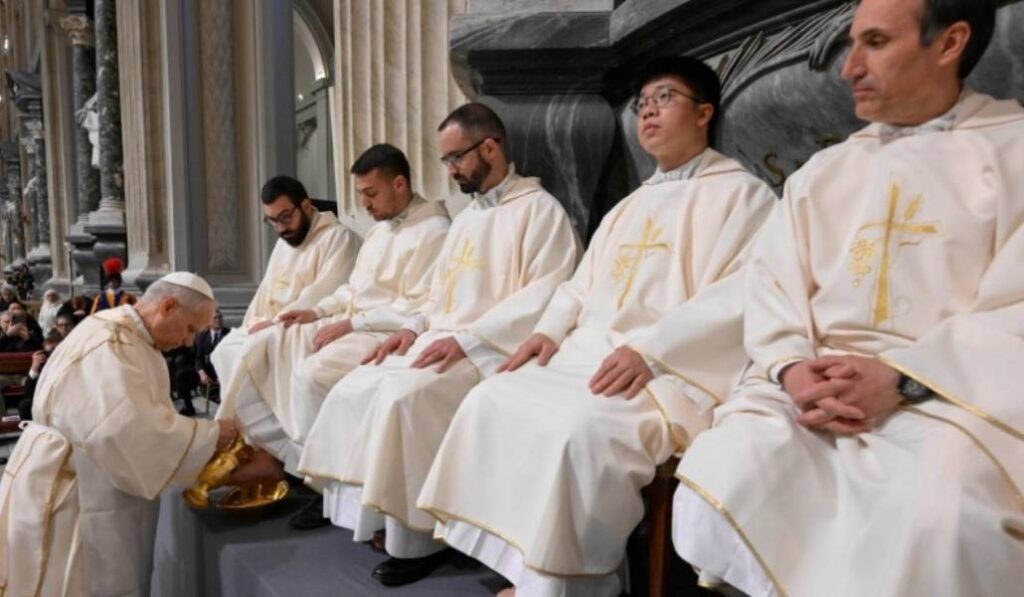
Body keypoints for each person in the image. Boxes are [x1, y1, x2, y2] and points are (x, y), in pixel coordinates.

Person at [672, 2, 1024, 596]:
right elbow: (772, 283)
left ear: (949, 43)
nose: (848, 67)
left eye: (876, 43)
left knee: (944, 520)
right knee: (722, 477)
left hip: (955, 396)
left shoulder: (1012, 152)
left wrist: (906, 378)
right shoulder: (826, 170)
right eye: (850, 44)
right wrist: (789, 368)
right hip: (817, 388)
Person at [417, 57, 775, 596]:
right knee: (489, 400)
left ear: (704, 112)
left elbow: (740, 296)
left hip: (663, 370)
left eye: (665, 99)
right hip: (589, 353)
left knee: (576, 432)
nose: (648, 112)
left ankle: (569, 586)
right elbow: (580, 287)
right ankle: (532, 572)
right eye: (642, 103)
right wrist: (548, 332)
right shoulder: (629, 206)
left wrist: (651, 352)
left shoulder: (745, 196)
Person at [295, 103, 581, 587]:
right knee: (356, 384)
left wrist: (468, 341)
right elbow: (436, 293)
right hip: (438, 337)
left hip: (489, 349)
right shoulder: (469, 219)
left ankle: (421, 540)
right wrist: (413, 325)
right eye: (445, 161)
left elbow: (547, 292)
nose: (448, 171)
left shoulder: (540, 211)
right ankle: (379, 518)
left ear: (490, 147)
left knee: (404, 397)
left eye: (455, 159)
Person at [214, 144, 450, 528]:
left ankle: (323, 483)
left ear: (401, 183)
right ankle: (303, 471)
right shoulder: (379, 233)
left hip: (388, 330)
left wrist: (351, 323)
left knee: (312, 375)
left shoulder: (434, 230)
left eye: (371, 194)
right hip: (355, 323)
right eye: (360, 195)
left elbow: (418, 304)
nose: (364, 205)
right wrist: (318, 311)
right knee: (288, 353)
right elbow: (351, 292)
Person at [0, 272, 238, 596]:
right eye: (190, 329)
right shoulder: (112, 343)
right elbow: (125, 431)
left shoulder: (123, 333)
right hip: (69, 493)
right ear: (168, 306)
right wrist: (211, 436)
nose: (188, 341)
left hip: (77, 476)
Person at [210, 175, 360, 393]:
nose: (280, 229)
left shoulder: (338, 238)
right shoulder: (285, 242)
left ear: (306, 206)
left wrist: (274, 322)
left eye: (285, 217)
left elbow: (321, 294)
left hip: (302, 325)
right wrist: (249, 324)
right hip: (272, 324)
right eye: (272, 221)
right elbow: (266, 290)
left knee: (249, 351)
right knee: (225, 349)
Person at [180, 308, 231, 415]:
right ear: (209, 321)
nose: (218, 320)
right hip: (207, 371)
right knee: (182, 375)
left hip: (224, 370)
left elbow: (231, 358)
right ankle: (188, 407)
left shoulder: (230, 334)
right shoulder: (202, 336)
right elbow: (198, 358)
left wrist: (223, 374)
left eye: (220, 317)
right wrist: (202, 372)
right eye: (215, 318)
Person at [17, 329, 64, 421]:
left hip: (63, 400)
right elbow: (28, 394)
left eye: (55, 351)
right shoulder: (44, 365)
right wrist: (34, 368)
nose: (52, 355)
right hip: (46, 401)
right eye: (49, 352)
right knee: (26, 404)